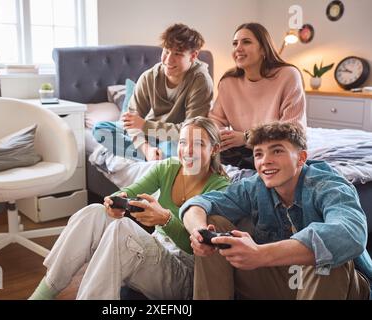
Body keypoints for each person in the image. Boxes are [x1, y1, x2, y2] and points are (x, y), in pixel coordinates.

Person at [29, 117, 230, 300]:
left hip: (186, 274)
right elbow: (128, 192)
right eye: (183, 142)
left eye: (198, 144)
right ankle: (43, 295)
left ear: (215, 149)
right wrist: (114, 202)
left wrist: (166, 221)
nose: (187, 151)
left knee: (121, 230)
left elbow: (200, 249)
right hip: (156, 253)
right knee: (94, 212)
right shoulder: (169, 168)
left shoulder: (221, 188)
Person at [180, 122, 372, 300]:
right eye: (258, 154)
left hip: (340, 285)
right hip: (283, 279)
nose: (266, 161)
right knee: (215, 225)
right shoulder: (255, 185)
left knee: (324, 261)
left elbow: (350, 233)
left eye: (277, 151)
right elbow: (199, 203)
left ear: (301, 158)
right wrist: (199, 233)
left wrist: (260, 254)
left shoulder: (328, 185)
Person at [93, 23, 213, 162]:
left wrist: (144, 125)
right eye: (166, 51)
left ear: (193, 56)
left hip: (175, 138)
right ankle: (154, 157)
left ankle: (160, 157)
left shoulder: (201, 81)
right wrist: (146, 149)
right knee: (100, 129)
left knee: (181, 148)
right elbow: (131, 121)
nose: (168, 60)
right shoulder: (149, 76)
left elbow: (191, 131)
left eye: (178, 54)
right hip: (147, 134)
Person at [209, 22, 306, 169]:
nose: (238, 49)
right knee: (202, 154)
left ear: (264, 49)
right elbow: (215, 120)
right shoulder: (228, 82)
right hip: (240, 151)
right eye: (235, 44)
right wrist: (223, 136)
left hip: (277, 147)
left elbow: (293, 130)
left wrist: (247, 137)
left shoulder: (288, 75)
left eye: (246, 42)